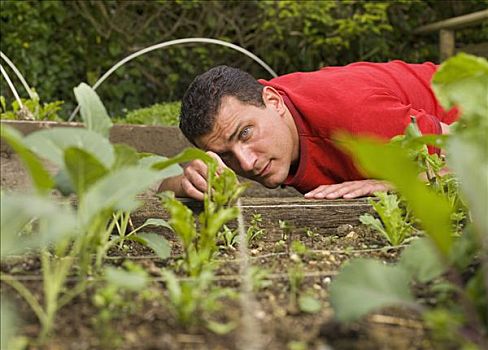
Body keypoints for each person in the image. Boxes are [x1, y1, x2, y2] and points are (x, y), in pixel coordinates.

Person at [158, 62, 458, 201]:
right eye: (226, 155)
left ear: (273, 101)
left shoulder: (354, 118)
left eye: (246, 134)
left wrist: (393, 184)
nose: (245, 164)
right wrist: (185, 183)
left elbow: (473, 150)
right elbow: (157, 188)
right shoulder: (252, 114)